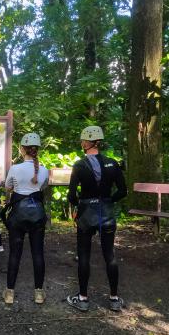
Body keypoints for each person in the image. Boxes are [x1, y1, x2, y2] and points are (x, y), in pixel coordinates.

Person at [66, 126, 127, 312]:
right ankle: (114, 299)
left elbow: (71, 195)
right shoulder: (112, 163)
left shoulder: (79, 164)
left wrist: (80, 204)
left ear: (88, 142)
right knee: (110, 255)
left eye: (82, 140)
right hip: (106, 212)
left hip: (86, 214)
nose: (81, 142)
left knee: (84, 255)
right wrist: (108, 201)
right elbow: (123, 191)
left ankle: (83, 298)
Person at [2, 133, 49, 305]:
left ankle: (9, 293)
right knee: (38, 253)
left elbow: (8, 187)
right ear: (37, 150)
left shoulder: (15, 169)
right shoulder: (44, 170)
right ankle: (38, 293)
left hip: (18, 215)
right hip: (37, 215)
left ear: (22, 149)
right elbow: (43, 187)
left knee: (15, 254)